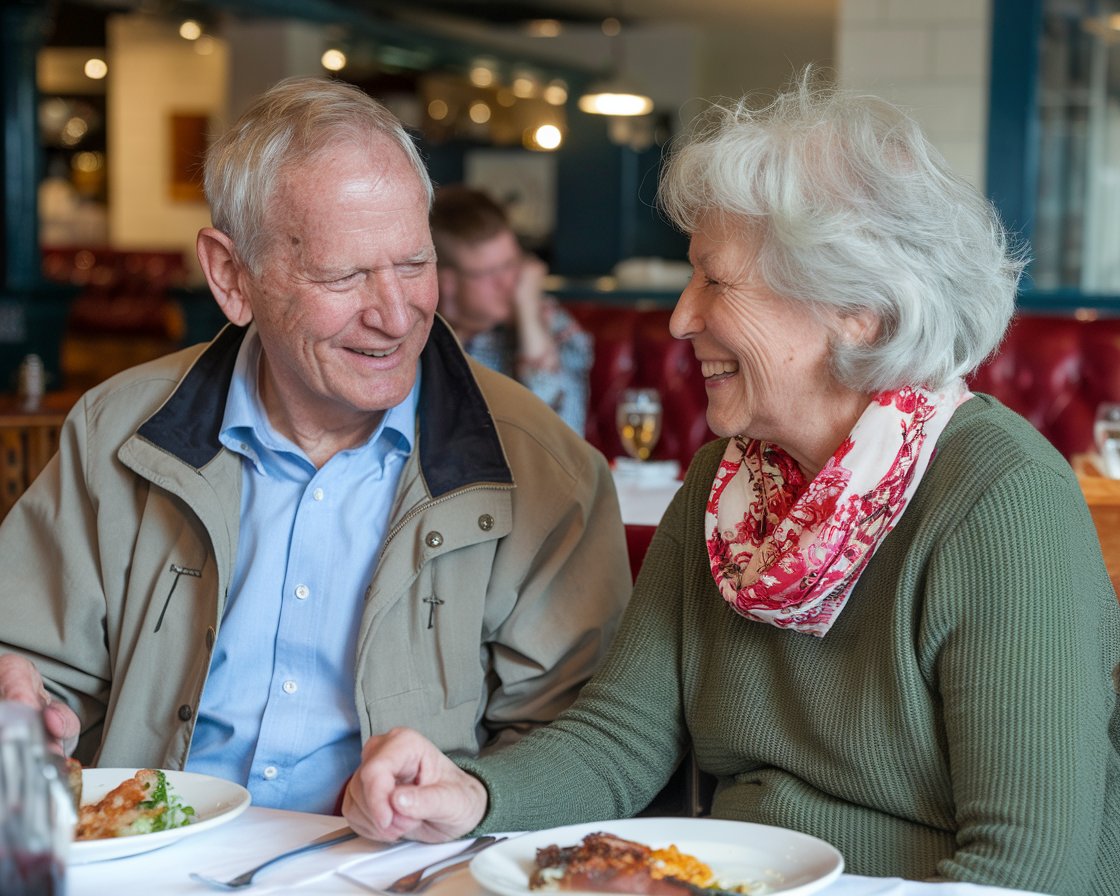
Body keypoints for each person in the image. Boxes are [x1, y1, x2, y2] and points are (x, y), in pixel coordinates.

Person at [342, 75, 1120, 895]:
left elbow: (1030, 869)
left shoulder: (998, 495)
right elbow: (621, 739)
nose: (680, 318)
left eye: (716, 281)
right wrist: (469, 794)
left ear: (857, 309)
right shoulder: (727, 483)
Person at [0, 77, 630, 815]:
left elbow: (580, 746)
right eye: (346, 274)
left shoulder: (545, 472)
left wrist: (470, 799)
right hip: (149, 860)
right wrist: (27, 706)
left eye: (414, 264)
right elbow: (32, 662)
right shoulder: (116, 430)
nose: (396, 316)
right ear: (232, 277)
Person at [429, 185, 592, 435]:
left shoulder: (553, 327)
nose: (508, 282)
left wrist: (528, 311)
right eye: (491, 272)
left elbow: (562, 438)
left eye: (513, 263)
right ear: (447, 281)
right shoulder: (416, 337)